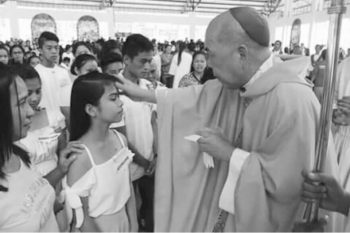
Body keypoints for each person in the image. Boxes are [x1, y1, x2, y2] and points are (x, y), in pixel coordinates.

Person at [115, 7, 337, 231]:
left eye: (211, 54)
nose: (208, 63)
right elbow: (195, 97)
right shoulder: (241, 84)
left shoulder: (292, 100)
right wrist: (142, 94)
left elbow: (287, 188)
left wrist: (230, 153)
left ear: (241, 53)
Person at [0, 63, 79, 231]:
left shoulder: (18, 153)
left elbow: (35, 189)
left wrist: (60, 170)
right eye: (21, 102)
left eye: (37, 91)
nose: (30, 110)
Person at [62, 71, 138, 232]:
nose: (120, 103)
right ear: (91, 109)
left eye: (118, 96)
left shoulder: (120, 139)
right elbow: (82, 218)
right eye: (113, 98)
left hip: (123, 221)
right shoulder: (80, 156)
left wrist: (134, 224)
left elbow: (128, 186)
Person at [120, 34, 156, 232]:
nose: (148, 66)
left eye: (150, 61)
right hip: (130, 165)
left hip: (151, 162)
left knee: (151, 211)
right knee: (132, 214)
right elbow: (119, 135)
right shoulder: (114, 88)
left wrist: (156, 155)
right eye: (143, 61)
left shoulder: (146, 86)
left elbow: (153, 121)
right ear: (126, 59)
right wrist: (142, 161)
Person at [35, 31, 72, 129]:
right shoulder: (35, 73)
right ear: (40, 50)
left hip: (63, 123)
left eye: (56, 48)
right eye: (49, 48)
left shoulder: (63, 72)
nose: (54, 51)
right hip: (44, 125)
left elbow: (67, 101)